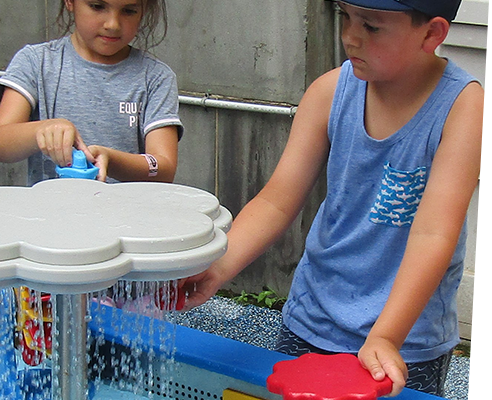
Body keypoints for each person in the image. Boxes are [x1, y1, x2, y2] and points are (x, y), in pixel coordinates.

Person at [181, 0, 482, 397]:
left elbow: (433, 233)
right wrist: (218, 266)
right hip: (312, 320)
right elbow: (277, 201)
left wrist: (386, 336)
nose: (350, 37)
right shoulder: (330, 91)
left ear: (432, 33)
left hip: (405, 339)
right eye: (346, 17)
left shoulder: (462, 106)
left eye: (371, 26)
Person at [0, 0, 183, 185]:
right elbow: (0, 143)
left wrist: (112, 160)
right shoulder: (35, 63)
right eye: (97, 6)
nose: (113, 24)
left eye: (129, 10)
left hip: (125, 217)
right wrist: (44, 130)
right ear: (70, 2)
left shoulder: (156, 77)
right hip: (50, 214)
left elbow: (163, 168)